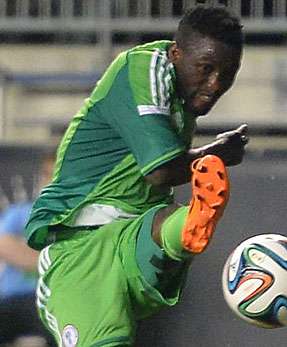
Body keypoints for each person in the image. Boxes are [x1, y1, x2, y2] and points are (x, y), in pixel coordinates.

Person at [25, 6, 249, 346]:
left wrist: (212, 156)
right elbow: (161, 172)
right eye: (206, 69)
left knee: (165, 221)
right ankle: (186, 225)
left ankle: (190, 225)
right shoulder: (144, 69)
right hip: (82, 248)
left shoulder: (183, 92)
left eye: (227, 73)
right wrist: (215, 154)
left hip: (136, 237)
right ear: (176, 53)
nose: (215, 84)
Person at [0, 154, 56, 347]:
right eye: (47, 174)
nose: (51, 180)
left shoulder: (76, 219)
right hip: (12, 300)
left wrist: (24, 252)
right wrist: (54, 261)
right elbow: (4, 246)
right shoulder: (19, 212)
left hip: (53, 300)